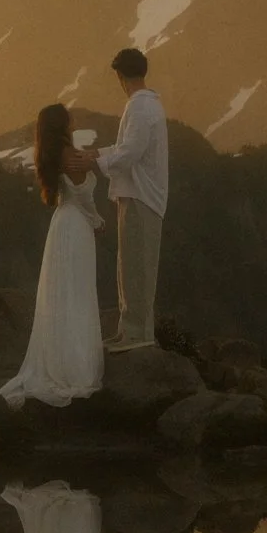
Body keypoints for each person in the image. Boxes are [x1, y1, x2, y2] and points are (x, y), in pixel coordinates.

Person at [0, 104, 104, 407]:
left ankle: (60, 359)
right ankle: (75, 365)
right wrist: (98, 220)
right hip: (76, 226)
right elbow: (84, 195)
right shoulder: (70, 154)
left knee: (62, 294)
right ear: (63, 123)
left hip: (61, 224)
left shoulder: (49, 153)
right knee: (78, 292)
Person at [95, 47, 168, 351]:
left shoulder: (138, 107)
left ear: (121, 76)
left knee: (136, 267)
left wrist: (94, 162)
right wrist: (98, 155)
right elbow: (127, 148)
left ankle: (137, 334)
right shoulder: (148, 105)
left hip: (140, 196)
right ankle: (128, 329)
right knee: (130, 265)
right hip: (137, 195)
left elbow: (130, 152)